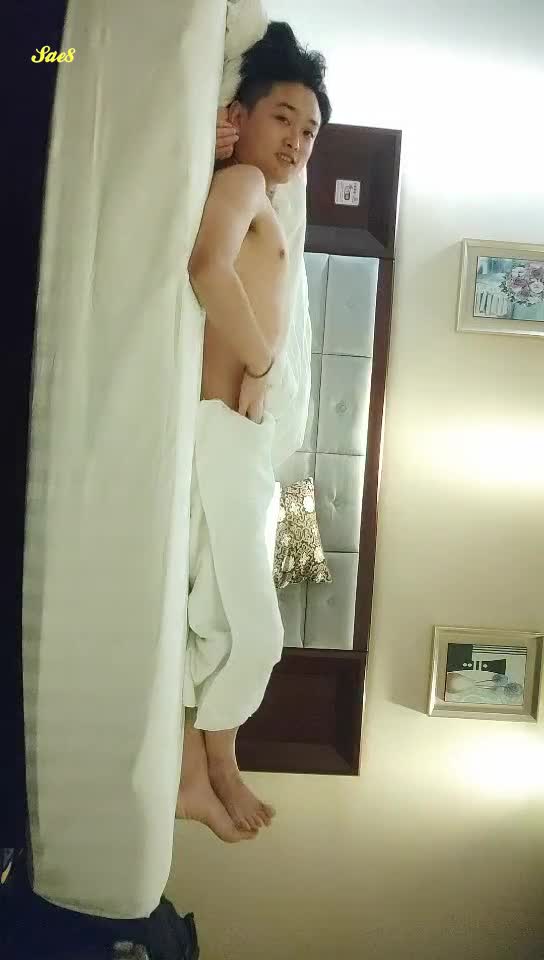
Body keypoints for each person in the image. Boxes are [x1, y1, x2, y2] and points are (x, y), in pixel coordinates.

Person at [175, 22, 331, 843]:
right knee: (257, 630)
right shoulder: (241, 185)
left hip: (238, 439)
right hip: (225, 424)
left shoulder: (267, 202)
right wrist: (264, 364)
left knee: (219, 612)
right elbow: (207, 267)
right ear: (242, 116)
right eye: (283, 118)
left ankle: (195, 772)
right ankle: (219, 765)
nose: (297, 140)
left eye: (310, 130)